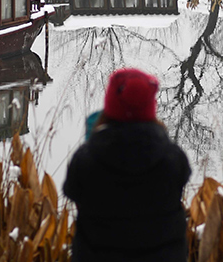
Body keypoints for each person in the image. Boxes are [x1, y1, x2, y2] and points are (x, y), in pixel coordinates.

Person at [63, 68, 192, 262]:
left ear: (110, 107)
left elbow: (72, 192)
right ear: (150, 108)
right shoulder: (173, 159)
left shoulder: (86, 160)